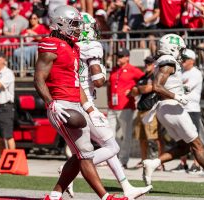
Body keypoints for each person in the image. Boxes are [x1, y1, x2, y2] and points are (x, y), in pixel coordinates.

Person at [35, 5, 127, 200]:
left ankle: (55, 194)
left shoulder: (74, 47)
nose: (79, 29)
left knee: (82, 153)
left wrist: (90, 109)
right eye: (75, 24)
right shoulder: (50, 44)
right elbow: (39, 79)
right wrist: (51, 103)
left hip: (77, 103)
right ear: (61, 24)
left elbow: (77, 84)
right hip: (62, 105)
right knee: (85, 153)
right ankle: (105, 196)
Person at [142, 33, 204, 193]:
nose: (181, 54)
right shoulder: (169, 61)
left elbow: (166, 84)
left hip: (165, 109)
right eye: (179, 50)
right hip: (172, 108)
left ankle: (154, 163)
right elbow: (157, 86)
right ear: (172, 48)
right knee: (197, 145)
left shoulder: (164, 61)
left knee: (184, 147)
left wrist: (180, 89)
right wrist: (177, 96)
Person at [70, 12, 152, 199]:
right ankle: (68, 169)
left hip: (72, 100)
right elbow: (98, 81)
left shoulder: (70, 47)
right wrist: (102, 73)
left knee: (106, 144)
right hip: (85, 102)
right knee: (111, 146)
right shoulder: (91, 46)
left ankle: (126, 186)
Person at [107, 48, 144, 168]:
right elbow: (109, 85)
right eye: (118, 56)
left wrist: (135, 91)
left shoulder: (134, 70)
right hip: (112, 107)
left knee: (125, 135)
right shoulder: (114, 69)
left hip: (126, 107)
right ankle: (111, 159)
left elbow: (145, 80)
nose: (119, 58)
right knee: (109, 135)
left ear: (127, 57)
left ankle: (123, 161)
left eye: (121, 56)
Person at [169, 49, 204, 174]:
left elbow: (187, 88)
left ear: (192, 61)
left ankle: (197, 164)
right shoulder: (181, 73)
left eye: (185, 59)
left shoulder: (196, 73)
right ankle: (183, 164)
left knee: (194, 138)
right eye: (182, 59)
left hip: (192, 109)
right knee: (181, 138)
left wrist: (176, 88)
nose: (182, 61)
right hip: (181, 108)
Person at [131, 56, 164, 169]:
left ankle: (160, 162)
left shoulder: (156, 76)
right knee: (142, 138)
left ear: (154, 64)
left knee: (155, 138)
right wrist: (142, 88)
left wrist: (140, 89)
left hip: (151, 111)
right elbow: (133, 91)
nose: (147, 65)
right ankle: (144, 161)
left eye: (149, 63)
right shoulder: (143, 77)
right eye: (146, 63)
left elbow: (148, 89)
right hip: (141, 110)